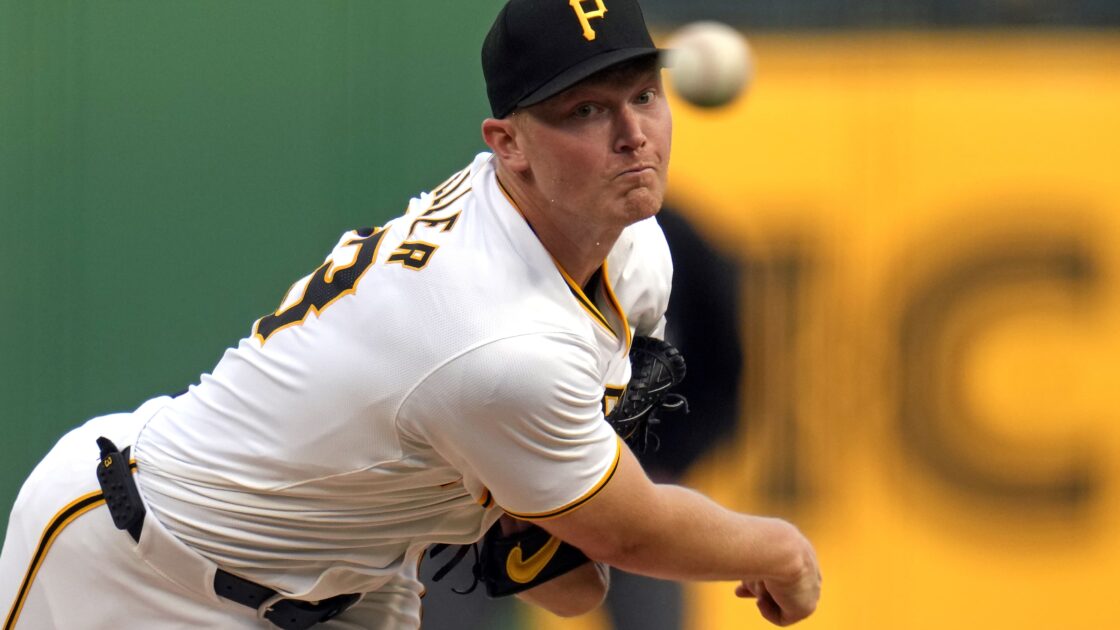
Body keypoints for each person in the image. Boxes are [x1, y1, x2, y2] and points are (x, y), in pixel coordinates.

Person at [0, 0, 821, 628]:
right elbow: (626, 536)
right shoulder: (498, 340)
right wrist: (777, 550)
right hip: (136, 568)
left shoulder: (627, 248)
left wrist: (536, 505)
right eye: (585, 110)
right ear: (507, 143)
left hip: (347, 587)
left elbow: (567, 584)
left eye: (643, 94)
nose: (634, 134)